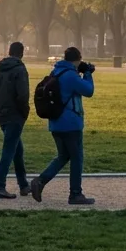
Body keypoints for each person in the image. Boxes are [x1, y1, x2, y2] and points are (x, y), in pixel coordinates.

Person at [32, 47, 96, 205]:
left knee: (63, 156)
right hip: (71, 123)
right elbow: (89, 91)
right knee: (76, 158)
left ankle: (40, 181)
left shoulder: (57, 72)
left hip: (56, 123)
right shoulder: (70, 76)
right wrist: (87, 73)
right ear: (77, 59)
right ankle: (75, 194)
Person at [0, 41, 31, 199]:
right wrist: (24, 112)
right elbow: (23, 95)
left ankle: (23, 185)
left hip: (1, 113)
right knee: (8, 150)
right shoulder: (20, 69)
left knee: (17, 150)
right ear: (22, 53)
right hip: (14, 114)